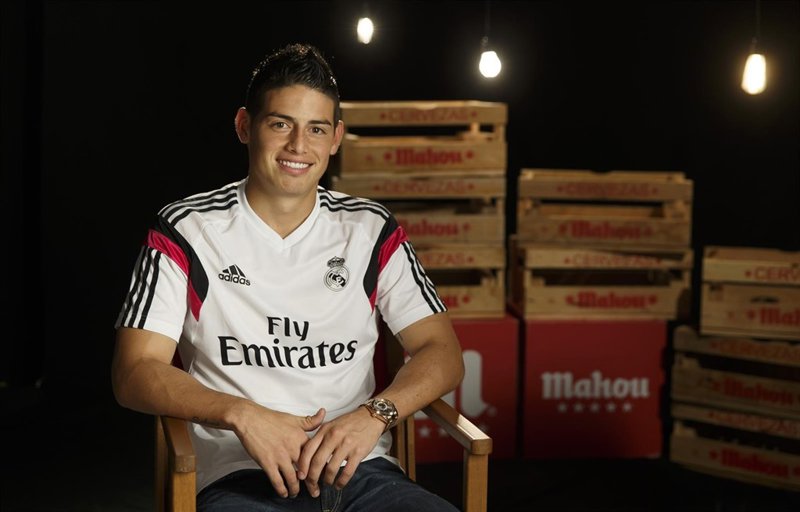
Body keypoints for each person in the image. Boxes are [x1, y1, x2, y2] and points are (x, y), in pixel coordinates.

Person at [111, 42, 465, 512]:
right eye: (280, 124)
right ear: (244, 126)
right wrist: (243, 415)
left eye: (316, 128)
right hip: (240, 478)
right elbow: (134, 370)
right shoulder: (187, 228)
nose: (299, 146)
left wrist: (374, 415)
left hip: (362, 473)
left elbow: (443, 352)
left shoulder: (370, 228)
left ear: (336, 138)